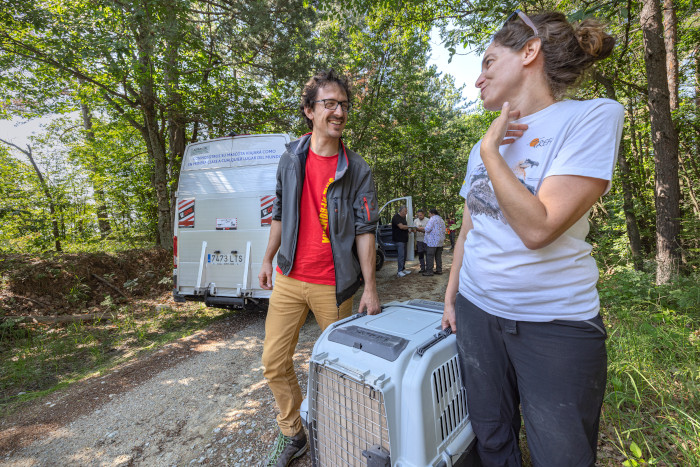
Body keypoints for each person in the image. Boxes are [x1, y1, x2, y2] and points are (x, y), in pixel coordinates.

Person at [441, 10, 624, 467]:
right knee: (492, 437)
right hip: (477, 313)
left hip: (554, 326)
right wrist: (451, 295)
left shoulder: (591, 117)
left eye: (487, 62)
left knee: (561, 455)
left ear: (529, 52)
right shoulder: (483, 142)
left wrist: (492, 153)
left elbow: (538, 229)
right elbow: (470, 225)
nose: (478, 80)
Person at [258, 69, 381, 467]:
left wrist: (370, 287)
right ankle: (294, 433)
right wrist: (266, 258)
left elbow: (365, 230)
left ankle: (338, 438)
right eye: (330, 103)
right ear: (309, 111)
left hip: (335, 286)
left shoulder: (357, 168)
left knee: (338, 372)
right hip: (290, 278)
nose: (339, 111)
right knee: (274, 363)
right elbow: (279, 212)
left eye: (343, 104)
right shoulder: (291, 158)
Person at [422, 208, 445, 276]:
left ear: (432, 213)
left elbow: (428, 229)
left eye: (429, 213)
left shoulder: (432, 219)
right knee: (438, 256)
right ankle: (439, 270)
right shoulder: (441, 219)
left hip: (432, 241)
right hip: (440, 241)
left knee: (430, 256)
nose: (428, 215)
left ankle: (429, 271)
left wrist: (421, 228)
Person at [391, 205, 412, 277]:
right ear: (401, 211)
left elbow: (405, 227)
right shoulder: (396, 217)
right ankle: (399, 271)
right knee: (401, 256)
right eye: (405, 211)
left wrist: (408, 230)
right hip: (399, 240)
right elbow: (401, 227)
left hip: (404, 240)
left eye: (406, 211)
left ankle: (403, 269)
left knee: (404, 255)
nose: (406, 213)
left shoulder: (403, 218)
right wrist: (410, 227)